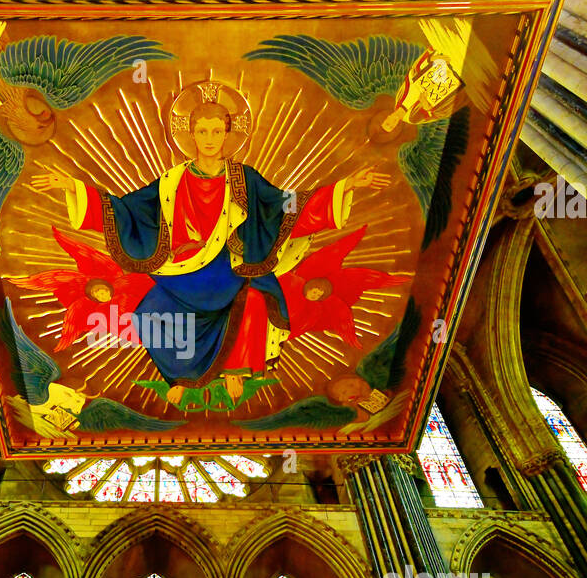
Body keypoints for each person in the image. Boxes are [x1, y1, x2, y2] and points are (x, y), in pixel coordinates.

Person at [33, 82, 388, 406]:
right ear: (190, 134)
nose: (209, 138)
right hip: (182, 271)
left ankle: (235, 370)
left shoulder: (243, 178)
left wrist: (346, 187)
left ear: (228, 134)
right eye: (202, 131)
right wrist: (73, 188)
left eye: (217, 131)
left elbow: (285, 207)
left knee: (250, 298)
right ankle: (182, 378)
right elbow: (126, 209)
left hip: (229, 267)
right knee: (146, 315)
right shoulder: (173, 180)